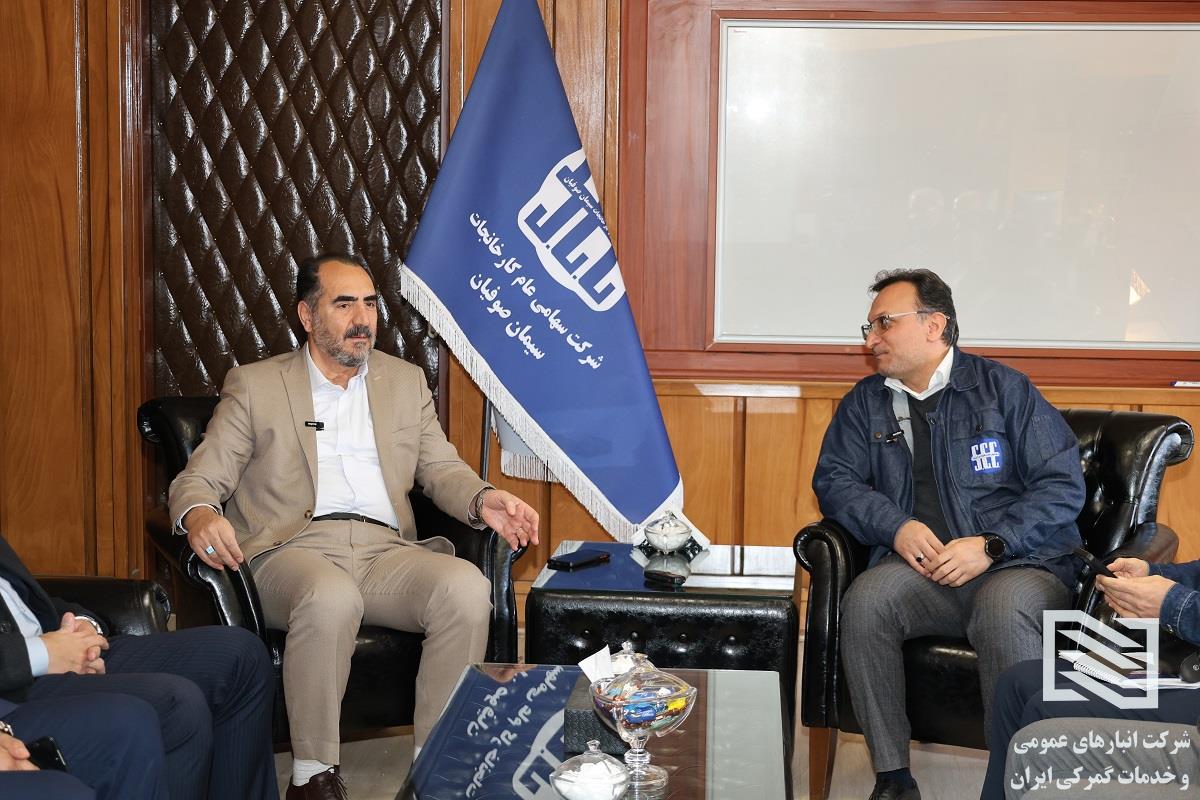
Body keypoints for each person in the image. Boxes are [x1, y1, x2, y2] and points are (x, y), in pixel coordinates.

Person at [169, 252, 540, 799]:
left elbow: (440, 468)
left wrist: (484, 499)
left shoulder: (404, 381)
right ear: (307, 315)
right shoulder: (256, 385)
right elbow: (199, 478)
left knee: (465, 588)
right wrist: (200, 512)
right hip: (291, 549)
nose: (362, 318)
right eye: (344, 304)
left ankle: (435, 773)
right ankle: (312, 776)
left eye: (369, 303)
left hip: (383, 550)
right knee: (330, 596)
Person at [812, 268, 1086, 800]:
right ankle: (893, 778)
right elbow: (834, 482)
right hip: (924, 574)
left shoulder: (1004, 389)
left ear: (934, 325)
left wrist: (992, 544)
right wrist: (896, 527)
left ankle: (1017, 781)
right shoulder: (865, 402)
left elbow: (1060, 486)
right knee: (867, 601)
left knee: (1003, 609)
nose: (871, 340)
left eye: (884, 323)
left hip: (1020, 564)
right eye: (869, 327)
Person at [0, 532, 276, 800]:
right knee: (176, 703)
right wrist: (41, 654)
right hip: (16, 683)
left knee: (240, 655)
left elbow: (25, 599)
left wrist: (85, 626)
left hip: (52, 642)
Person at [981, 556, 1200, 799]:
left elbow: (1180, 606)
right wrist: (1152, 575)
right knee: (1019, 682)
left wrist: (1174, 604)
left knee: (1049, 706)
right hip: (1187, 661)